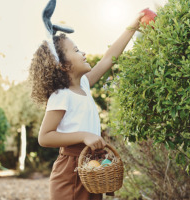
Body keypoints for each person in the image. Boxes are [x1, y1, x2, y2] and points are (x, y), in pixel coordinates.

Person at [29, 7, 145, 200]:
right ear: (64, 66)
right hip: (71, 170)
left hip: (90, 164)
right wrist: (84, 135)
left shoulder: (83, 84)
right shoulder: (61, 95)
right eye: (76, 50)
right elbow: (45, 137)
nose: (83, 52)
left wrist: (133, 26)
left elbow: (109, 57)